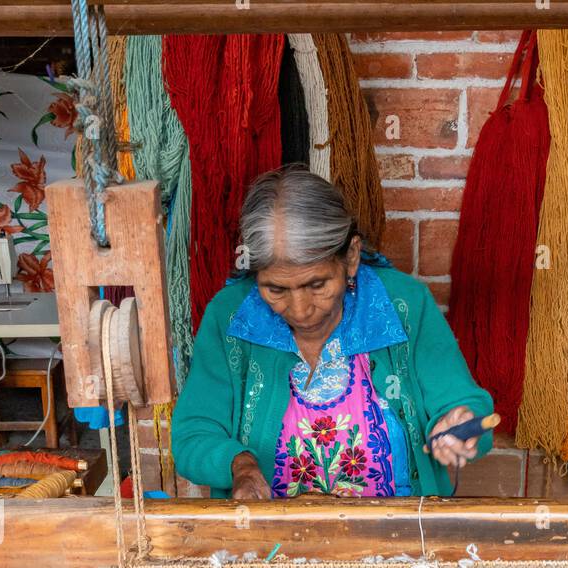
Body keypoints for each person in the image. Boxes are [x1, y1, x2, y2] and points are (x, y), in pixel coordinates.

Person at [172, 165, 494, 499]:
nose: (299, 309)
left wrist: (461, 423)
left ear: (351, 257)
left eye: (316, 284)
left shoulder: (403, 306)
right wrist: (239, 465)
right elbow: (193, 434)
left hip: (400, 539)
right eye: (276, 289)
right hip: (271, 546)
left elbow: (463, 404)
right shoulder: (232, 317)